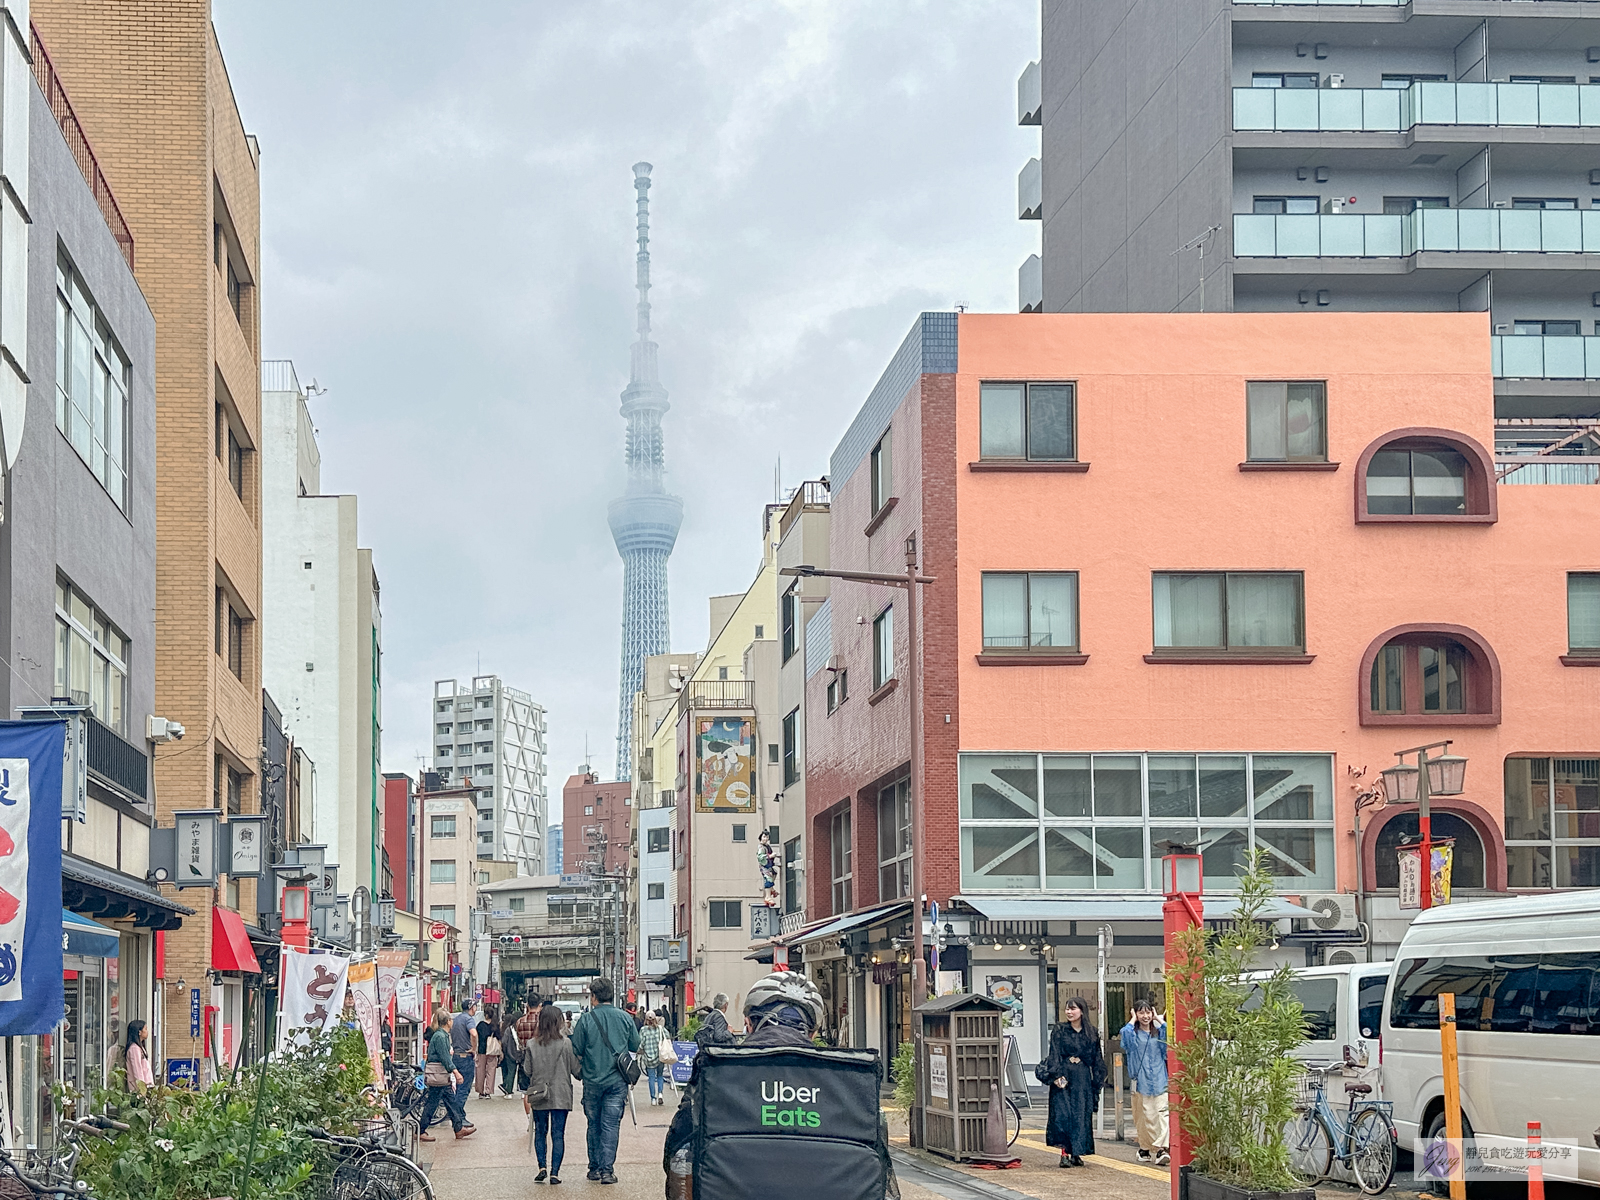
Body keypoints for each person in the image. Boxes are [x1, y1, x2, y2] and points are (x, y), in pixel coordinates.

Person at [663, 972, 898, 1197]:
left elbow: (676, 1151)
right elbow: (882, 1171)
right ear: (814, 1033)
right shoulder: (851, 1080)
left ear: (749, 1024)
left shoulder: (717, 1071)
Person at [569, 976, 640, 1185]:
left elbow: (576, 1049)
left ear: (593, 997)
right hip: (617, 1080)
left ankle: (594, 1168)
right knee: (610, 1124)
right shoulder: (625, 1018)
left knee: (593, 1124)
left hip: (591, 1080)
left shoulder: (586, 1020)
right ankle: (607, 1171)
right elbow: (636, 1044)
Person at [1036, 996, 1107, 1168]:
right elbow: (1054, 1054)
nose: (1069, 1012)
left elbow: (1096, 1059)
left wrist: (1097, 1082)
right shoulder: (1059, 1030)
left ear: (1082, 1011)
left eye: (1073, 1008)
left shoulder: (1091, 1032)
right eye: (1067, 1009)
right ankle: (1064, 1153)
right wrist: (1056, 1076)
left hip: (1082, 1076)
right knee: (1063, 1114)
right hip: (1064, 1074)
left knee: (1081, 1114)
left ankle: (1077, 1152)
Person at [522, 1002, 582, 1185]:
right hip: (561, 1093)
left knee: (540, 1131)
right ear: (559, 1022)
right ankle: (555, 1173)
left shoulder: (532, 1044)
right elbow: (576, 1070)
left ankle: (542, 1167)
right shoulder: (566, 1044)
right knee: (558, 1134)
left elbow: (527, 1070)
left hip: (540, 1093)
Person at [1120, 996, 1170, 1166]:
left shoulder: (1158, 1033)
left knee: (1162, 1114)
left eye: (1148, 1012)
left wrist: (1158, 1020)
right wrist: (1132, 1019)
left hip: (1160, 1079)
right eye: (1141, 1012)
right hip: (1141, 1081)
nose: (1145, 1016)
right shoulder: (1132, 1034)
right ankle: (1146, 1148)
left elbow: (1169, 1038)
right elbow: (1125, 1039)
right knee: (1145, 1116)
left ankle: (1160, 1148)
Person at [420, 1009, 475, 1141]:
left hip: (441, 1075)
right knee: (432, 1102)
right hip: (439, 1074)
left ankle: (458, 1128)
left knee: (450, 1101)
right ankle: (421, 1130)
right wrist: (456, 1072)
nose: (452, 1022)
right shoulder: (440, 1036)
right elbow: (444, 1057)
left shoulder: (442, 1035)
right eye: (451, 1020)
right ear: (447, 1022)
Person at [450, 999, 478, 1112]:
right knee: (464, 1089)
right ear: (472, 1007)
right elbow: (474, 1033)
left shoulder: (455, 1020)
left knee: (458, 1087)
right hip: (466, 1057)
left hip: (456, 1056)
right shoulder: (468, 1019)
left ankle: (458, 1115)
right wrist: (474, 1048)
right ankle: (458, 1116)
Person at [638, 1012, 668, 1106]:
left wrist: (639, 1051)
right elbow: (667, 1037)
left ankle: (653, 1099)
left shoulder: (643, 1030)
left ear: (646, 1020)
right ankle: (660, 1094)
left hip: (648, 1058)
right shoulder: (660, 1029)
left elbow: (641, 1044)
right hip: (660, 1056)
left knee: (651, 1077)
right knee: (660, 1076)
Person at [475, 1005, 501, 1098]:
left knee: (480, 1071)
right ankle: (488, 1091)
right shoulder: (495, 1025)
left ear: (485, 1015)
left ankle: (480, 1091)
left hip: (482, 1050)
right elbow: (499, 1039)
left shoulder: (480, 1025)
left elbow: (476, 1037)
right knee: (491, 1071)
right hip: (492, 1051)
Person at [123, 1020, 153, 1094]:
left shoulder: (140, 1047)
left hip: (146, 1086)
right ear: (139, 1032)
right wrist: (141, 1089)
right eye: (145, 1029)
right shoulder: (134, 1048)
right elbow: (137, 1070)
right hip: (139, 1090)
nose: (147, 1032)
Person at [498, 1006, 521, 1096]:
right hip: (519, 1053)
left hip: (509, 1053)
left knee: (510, 1071)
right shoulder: (520, 1028)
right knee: (515, 1071)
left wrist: (504, 1050)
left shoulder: (509, 1029)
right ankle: (516, 1088)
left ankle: (507, 1088)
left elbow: (504, 1041)